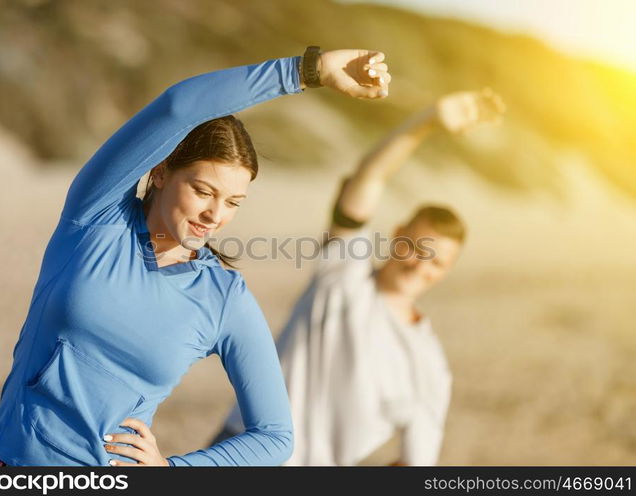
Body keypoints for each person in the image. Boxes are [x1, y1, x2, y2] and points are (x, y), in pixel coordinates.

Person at [0, 47, 392, 466]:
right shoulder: (97, 217)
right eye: (203, 191)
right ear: (159, 172)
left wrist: (174, 470)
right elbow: (178, 108)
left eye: (233, 201)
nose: (215, 215)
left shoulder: (222, 297)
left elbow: (275, 436)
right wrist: (307, 70)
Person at [212, 89, 505, 465]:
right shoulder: (343, 274)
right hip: (241, 452)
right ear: (397, 235)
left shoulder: (430, 366)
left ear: (447, 271)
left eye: (436, 262)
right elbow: (369, 177)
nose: (419, 266)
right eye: (416, 248)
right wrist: (428, 120)